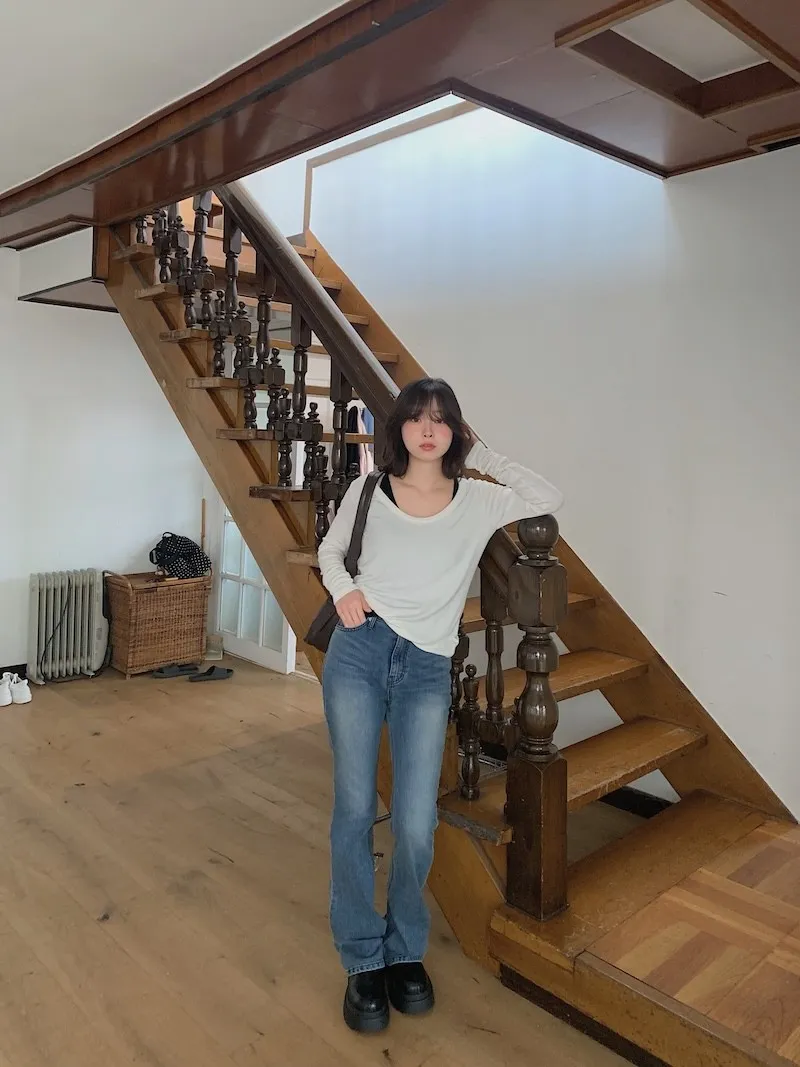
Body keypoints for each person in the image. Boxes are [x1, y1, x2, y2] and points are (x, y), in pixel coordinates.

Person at [317, 377, 563, 1033]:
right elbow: (331, 551)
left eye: (442, 419)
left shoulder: (477, 499)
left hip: (426, 668)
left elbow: (547, 497)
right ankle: (362, 955)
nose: (428, 429)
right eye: (417, 417)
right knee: (354, 809)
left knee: (417, 821)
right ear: (398, 427)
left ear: (456, 431)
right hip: (360, 653)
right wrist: (343, 589)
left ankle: (404, 947)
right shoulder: (368, 489)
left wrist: (483, 452)